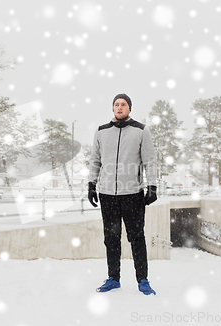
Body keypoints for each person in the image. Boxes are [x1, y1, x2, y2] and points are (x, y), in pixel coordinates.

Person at [88, 93, 158, 296]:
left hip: (132, 194)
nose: (120, 107)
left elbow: (149, 161)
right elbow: (95, 160)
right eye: (116, 104)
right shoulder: (102, 131)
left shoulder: (141, 130)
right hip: (108, 194)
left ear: (129, 108)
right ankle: (113, 278)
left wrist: (152, 186)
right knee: (111, 238)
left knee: (136, 237)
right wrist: (92, 185)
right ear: (112, 108)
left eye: (123, 104)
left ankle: (143, 280)